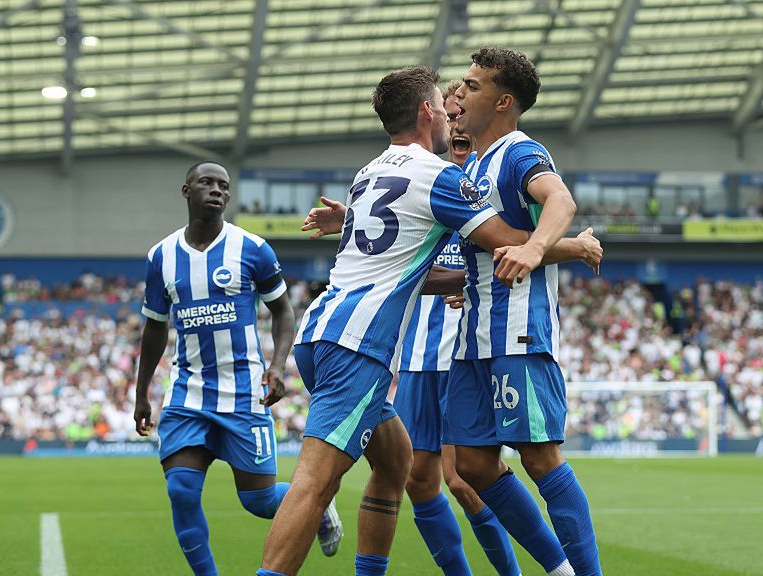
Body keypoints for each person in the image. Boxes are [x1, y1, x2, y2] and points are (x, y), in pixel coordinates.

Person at [258, 66, 598, 576]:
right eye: (444, 104)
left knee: (400, 465)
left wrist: (345, 219)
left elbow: (397, 236)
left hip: (320, 329)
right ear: (425, 113)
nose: (451, 111)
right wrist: (574, 246)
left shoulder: (370, 172)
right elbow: (503, 237)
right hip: (358, 345)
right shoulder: (442, 176)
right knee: (315, 483)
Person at [301, 80, 524, 576]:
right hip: (413, 354)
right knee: (416, 479)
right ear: (434, 117)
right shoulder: (425, 181)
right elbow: (395, 247)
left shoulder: (465, 187)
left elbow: (500, 251)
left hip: (457, 348)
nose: (457, 135)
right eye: (451, 122)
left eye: (465, 133)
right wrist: (350, 220)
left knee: (464, 479)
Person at [133, 161, 342, 576]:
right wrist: (142, 393)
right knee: (181, 489)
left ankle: (318, 506)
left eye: (223, 186)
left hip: (244, 392)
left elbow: (283, 312)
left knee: (259, 502)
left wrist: (278, 366)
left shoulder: (253, 248)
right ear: (186, 190)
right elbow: (154, 329)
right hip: (188, 391)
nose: (216, 190)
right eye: (206, 182)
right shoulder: (161, 256)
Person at [448, 47, 603, 575]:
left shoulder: (519, 152)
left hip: (516, 331)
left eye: (472, 85)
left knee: (539, 458)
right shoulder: (471, 164)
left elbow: (560, 200)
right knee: (471, 465)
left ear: (503, 100)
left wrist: (536, 249)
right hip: (472, 338)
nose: (461, 91)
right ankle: (558, 570)